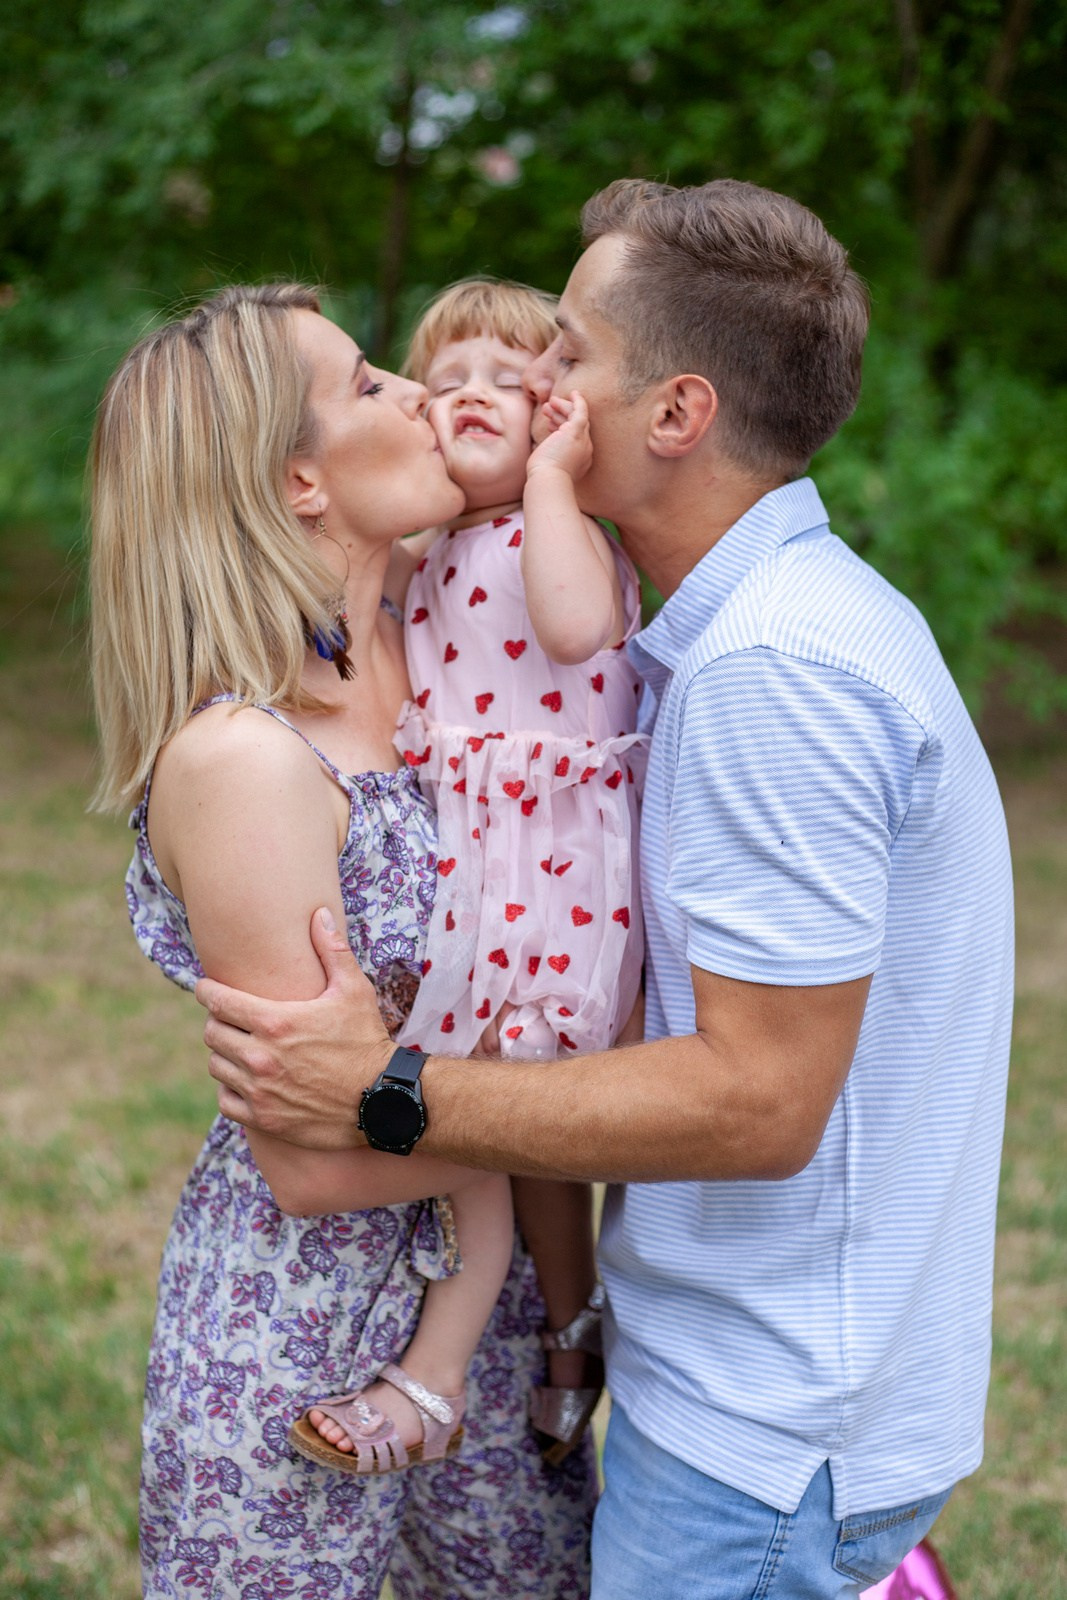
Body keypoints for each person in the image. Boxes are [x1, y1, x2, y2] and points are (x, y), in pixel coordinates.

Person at [197, 182, 1014, 1600]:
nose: (532, 383)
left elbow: (754, 1103)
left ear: (676, 414)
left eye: (566, 355)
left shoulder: (775, 674)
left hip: (758, 1448)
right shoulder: (739, 639)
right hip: (762, 1410)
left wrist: (387, 1090)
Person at [90, 282, 596, 1599]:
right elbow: (312, 1162)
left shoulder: (430, 642)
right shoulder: (242, 761)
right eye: (369, 383)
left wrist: (555, 1294)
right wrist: (583, 1114)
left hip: (488, 1320)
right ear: (299, 483)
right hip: (295, 1332)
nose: (422, 392)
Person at [299, 277, 645, 1474]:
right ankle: (508, 1342)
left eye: (510, 379)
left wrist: (551, 480)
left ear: (559, 412)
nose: (471, 399)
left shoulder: (560, 527)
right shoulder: (433, 548)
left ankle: (566, 1325)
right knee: (485, 1129)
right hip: (476, 879)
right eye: (444, 386)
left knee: (526, 1123)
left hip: (552, 880)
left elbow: (565, 628)